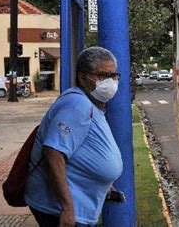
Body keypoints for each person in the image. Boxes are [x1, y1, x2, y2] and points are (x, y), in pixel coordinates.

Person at [25, 47, 123, 227]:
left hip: (80, 206)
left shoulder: (91, 104)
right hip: (58, 209)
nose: (110, 82)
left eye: (113, 75)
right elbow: (53, 153)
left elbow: (83, 148)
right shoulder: (77, 104)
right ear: (83, 77)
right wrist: (68, 208)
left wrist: (104, 183)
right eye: (102, 75)